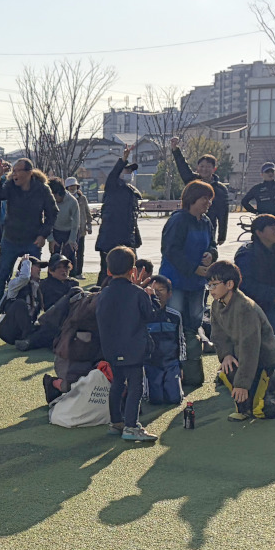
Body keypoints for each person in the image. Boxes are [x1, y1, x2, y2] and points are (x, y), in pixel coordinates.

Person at [158, 180, 217, 387]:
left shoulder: (206, 222)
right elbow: (170, 250)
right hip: (175, 281)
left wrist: (211, 254)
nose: (208, 203)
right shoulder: (178, 220)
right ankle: (173, 370)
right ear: (192, 199)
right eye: (204, 199)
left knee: (194, 322)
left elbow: (213, 244)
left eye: (210, 199)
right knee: (174, 321)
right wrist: (193, 268)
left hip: (197, 283)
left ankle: (191, 367)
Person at [96, 246, 159, 440]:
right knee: (135, 386)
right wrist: (152, 297)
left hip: (111, 347)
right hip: (134, 348)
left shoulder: (103, 293)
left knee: (117, 383)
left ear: (108, 270)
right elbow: (150, 315)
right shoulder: (138, 293)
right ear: (132, 271)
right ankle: (131, 426)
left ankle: (116, 422)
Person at [205, 260, 275, 421]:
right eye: (209, 285)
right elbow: (218, 335)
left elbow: (250, 348)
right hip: (240, 356)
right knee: (228, 373)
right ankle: (248, 401)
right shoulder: (217, 305)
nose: (210, 290)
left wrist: (242, 384)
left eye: (214, 285)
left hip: (261, 359)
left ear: (229, 284)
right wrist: (226, 354)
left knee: (261, 411)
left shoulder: (246, 308)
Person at [0, 157, 58, 306]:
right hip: (11, 239)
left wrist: (43, 235)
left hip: (32, 240)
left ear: (29, 173)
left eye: (17, 171)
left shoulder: (42, 189)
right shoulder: (10, 186)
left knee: (33, 277)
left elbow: (53, 213)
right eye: (13, 171)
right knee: (2, 274)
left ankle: (32, 307)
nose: (14, 174)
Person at [235, 214, 275, 372]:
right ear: (259, 232)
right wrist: (271, 293)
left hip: (270, 303)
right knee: (269, 337)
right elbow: (243, 283)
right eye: (272, 228)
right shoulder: (247, 253)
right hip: (249, 305)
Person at [171, 140, 231, 245]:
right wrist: (176, 150)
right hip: (190, 225)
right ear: (197, 168)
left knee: (208, 251)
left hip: (209, 227)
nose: (204, 169)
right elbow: (182, 166)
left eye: (208, 166)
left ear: (214, 169)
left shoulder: (221, 189)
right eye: (202, 166)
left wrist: (222, 236)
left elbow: (223, 214)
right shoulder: (192, 181)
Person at [94, 154, 141, 283]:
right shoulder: (112, 187)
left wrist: (135, 238)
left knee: (129, 272)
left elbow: (132, 218)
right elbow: (112, 176)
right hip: (110, 238)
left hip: (127, 239)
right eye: (127, 170)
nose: (130, 173)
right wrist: (123, 160)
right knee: (107, 273)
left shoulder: (131, 191)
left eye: (131, 171)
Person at [144, 274, 186, 403]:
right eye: (153, 290)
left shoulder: (175, 316)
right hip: (150, 364)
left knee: (175, 399)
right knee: (155, 399)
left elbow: (181, 341)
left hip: (171, 363)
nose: (156, 293)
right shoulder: (143, 316)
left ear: (169, 294)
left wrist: (181, 364)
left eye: (161, 290)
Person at [240, 162, 275, 232]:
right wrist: (255, 211)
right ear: (262, 174)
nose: (270, 173)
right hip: (264, 224)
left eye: (272, 171)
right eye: (267, 171)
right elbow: (244, 201)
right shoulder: (257, 188)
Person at [49, 177, 82, 273]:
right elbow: (47, 220)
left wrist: (72, 239)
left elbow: (76, 222)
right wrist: (51, 239)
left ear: (60, 193)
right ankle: (52, 276)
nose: (54, 200)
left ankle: (71, 276)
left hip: (69, 230)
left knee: (69, 254)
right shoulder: (49, 201)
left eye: (55, 197)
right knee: (54, 255)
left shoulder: (72, 201)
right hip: (56, 230)